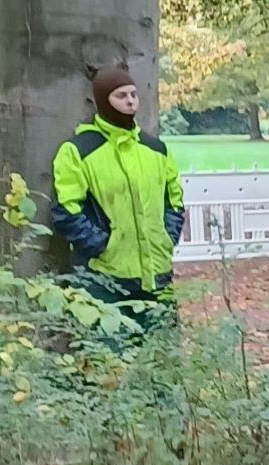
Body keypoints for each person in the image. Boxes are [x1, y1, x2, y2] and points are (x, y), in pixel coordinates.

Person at [49, 65, 184, 325]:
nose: (130, 101)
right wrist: (102, 245)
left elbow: (174, 201)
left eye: (133, 94)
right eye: (121, 96)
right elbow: (67, 209)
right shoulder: (78, 151)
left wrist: (167, 237)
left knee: (161, 347)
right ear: (103, 100)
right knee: (111, 350)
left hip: (157, 274)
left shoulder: (156, 149)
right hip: (105, 280)